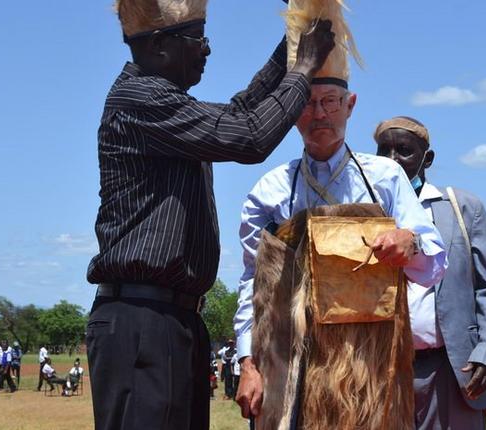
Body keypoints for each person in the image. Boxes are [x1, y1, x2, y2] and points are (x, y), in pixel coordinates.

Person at [85, 0, 336, 428]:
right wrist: (304, 67)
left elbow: (240, 113)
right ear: (161, 46)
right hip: (142, 322)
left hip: (171, 320)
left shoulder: (164, 105)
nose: (206, 50)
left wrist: (293, 43)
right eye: (197, 40)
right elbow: (249, 137)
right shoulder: (140, 99)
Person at [234, 42, 447, 428]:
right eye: (306, 102)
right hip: (292, 369)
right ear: (290, 112)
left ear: (350, 105)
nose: (319, 114)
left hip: (372, 372)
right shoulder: (271, 192)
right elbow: (253, 285)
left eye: (330, 102)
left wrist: (409, 243)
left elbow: (433, 263)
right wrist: (248, 363)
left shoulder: (385, 179)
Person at [374, 116, 486, 429]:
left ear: (427, 158)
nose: (393, 160)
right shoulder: (365, 212)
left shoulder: (461, 209)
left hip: (452, 369)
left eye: (404, 151)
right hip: (383, 368)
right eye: (385, 152)